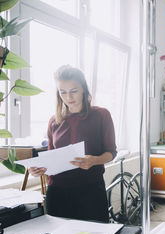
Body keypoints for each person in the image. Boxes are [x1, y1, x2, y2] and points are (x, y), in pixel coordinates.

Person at [28, 65, 117, 222]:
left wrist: (94, 160)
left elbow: (111, 152)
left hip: (90, 191)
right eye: (63, 92)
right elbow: (51, 157)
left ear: (83, 89)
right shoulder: (54, 121)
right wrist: (40, 169)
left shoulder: (101, 115)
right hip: (57, 192)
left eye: (73, 91)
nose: (69, 97)